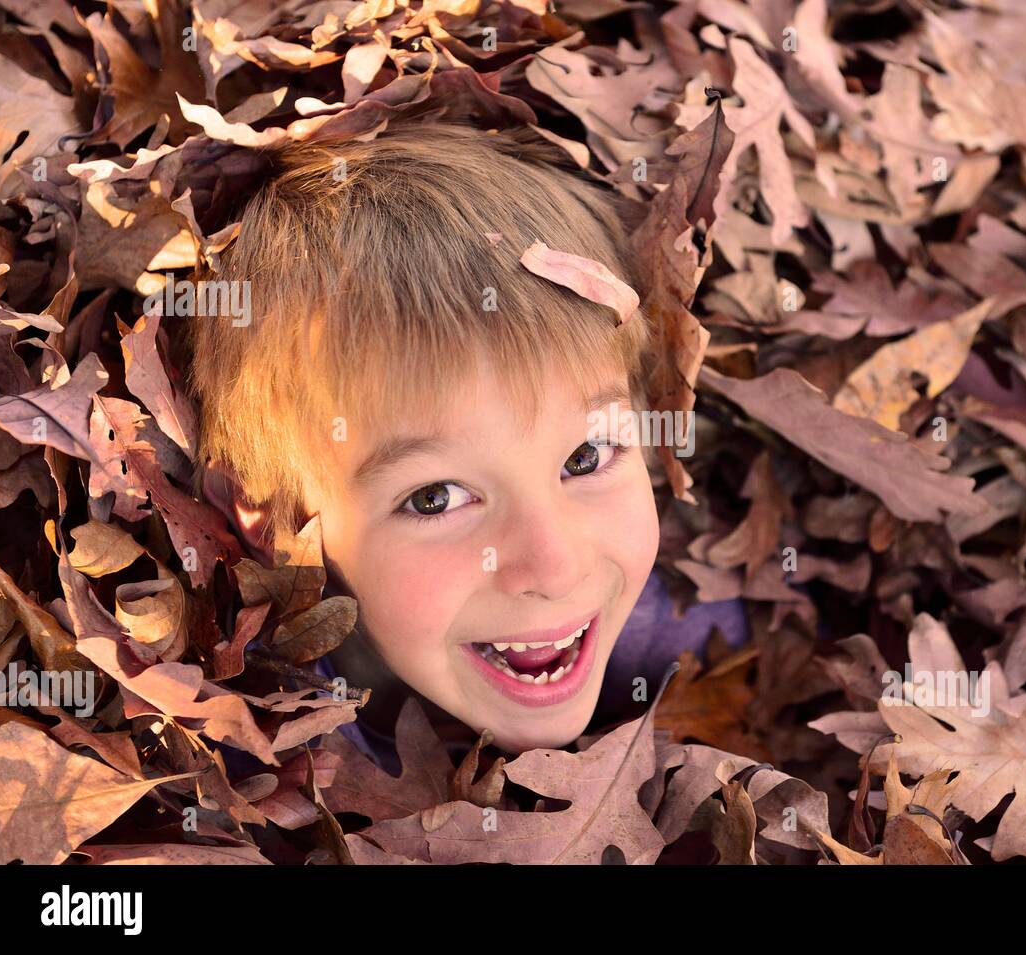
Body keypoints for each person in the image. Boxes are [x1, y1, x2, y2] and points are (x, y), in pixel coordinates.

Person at [188, 120, 745, 764]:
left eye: (585, 457)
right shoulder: (237, 751)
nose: (555, 567)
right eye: (436, 498)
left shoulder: (689, 635)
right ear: (279, 518)